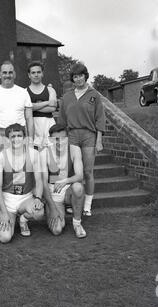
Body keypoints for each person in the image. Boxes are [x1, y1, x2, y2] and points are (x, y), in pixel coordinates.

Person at [58, 62, 105, 216]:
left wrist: (99, 141)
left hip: (89, 135)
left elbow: (100, 119)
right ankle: (74, 201)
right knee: (73, 171)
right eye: (75, 77)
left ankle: (87, 205)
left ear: (86, 76)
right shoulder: (66, 97)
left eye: (81, 76)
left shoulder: (94, 95)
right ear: (72, 79)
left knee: (87, 171)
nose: (78, 79)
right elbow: (62, 121)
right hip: (72, 135)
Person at [0, 123, 44, 243]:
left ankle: (23, 219)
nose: (16, 139)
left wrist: (38, 198)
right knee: (5, 238)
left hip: (25, 198)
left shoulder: (33, 154)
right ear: (7, 139)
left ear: (24, 137)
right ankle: (6, 215)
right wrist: (4, 211)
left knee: (39, 213)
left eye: (19, 136)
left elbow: (39, 180)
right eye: (13, 136)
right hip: (8, 200)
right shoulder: (0, 157)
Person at [0, 60, 34, 168]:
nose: (7, 75)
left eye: (10, 72)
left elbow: (29, 118)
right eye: (5, 72)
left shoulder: (23, 93)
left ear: (14, 74)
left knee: (19, 168)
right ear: (0, 74)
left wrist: (30, 140)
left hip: (19, 134)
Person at [40, 124, 86, 238]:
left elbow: (80, 175)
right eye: (56, 139)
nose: (60, 142)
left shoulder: (75, 149)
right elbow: (44, 184)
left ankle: (77, 223)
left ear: (67, 138)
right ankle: (53, 211)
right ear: (50, 139)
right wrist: (52, 208)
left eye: (63, 138)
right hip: (53, 190)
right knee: (57, 230)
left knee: (78, 187)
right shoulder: (44, 153)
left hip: (67, 189)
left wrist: (65, 181)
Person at [27, 61, 57, 149]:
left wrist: (33, 106)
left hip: (49, 124)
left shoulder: (50, 90)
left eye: (38, 72)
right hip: (33, 126)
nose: (36, 75)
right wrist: (47, 103)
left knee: (52, 158)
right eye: (33, 72)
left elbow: (52, 108)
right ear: (29, 75)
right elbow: (27, 109)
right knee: (36, 158)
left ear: (42, 73)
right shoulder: (25, 92)